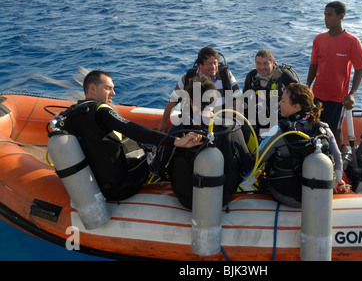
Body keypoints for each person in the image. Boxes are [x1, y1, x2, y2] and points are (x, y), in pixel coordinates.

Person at [56, 70, 202, 201]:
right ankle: (152, 173)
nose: (113, 93)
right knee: (169, 136)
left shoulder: (74, 112)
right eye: (108, 88)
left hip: (101, 182)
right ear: (92, 89)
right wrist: (176, 141)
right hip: (122, 187)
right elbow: (133, 130)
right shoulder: (100, 110)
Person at [153, 76, 253, 209]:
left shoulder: (178, 128)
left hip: (187, 199)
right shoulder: (231, 127)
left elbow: (158, 165)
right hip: (223, 199)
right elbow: (248, 166)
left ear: (190, 101)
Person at [257, 83, 345, 208]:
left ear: (296, 106)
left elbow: (257, 158)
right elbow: (337, 156)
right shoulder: (323, 129)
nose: (279, 104)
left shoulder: (278, 131)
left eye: (283, 101)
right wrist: (338, 179)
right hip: (320, 196)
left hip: (287, 197)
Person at [306, 1, 362, 147]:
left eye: (329, 15)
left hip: (337, 98)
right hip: (317, 94)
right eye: (324, 15)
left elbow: (359, 69)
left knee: (334, 130)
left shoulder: (352, 41)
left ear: (341, 16)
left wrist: (352, 93)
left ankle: (337, 161)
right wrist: (307, 86)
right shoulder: (319, 39)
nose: (325, 18)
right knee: (314, 127)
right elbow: (314, 65)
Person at [157, 46, 242, 133]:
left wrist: (231, 120)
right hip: (194, 126)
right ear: (200, 65)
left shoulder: (226, 76)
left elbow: (238, 99)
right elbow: (173, 101)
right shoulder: (188, 78)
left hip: (221, 125)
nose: (213, 67)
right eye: (209, 64)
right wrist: (163, 122)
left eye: (215, 63)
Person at [242, 49, 296, 136]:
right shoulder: (252, 76)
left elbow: (299, 96)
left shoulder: (283, 76)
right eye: (258, 63)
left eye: (265, 63)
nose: (262, 67)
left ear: (273, 63)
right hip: (258, 119)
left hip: (280, 120)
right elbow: (245, 100)